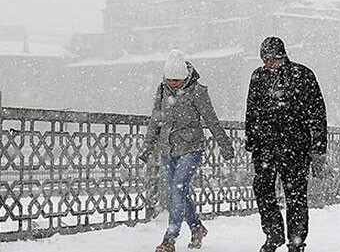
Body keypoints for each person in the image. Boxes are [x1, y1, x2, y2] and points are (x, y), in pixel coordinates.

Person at [140, 49, 235, 252]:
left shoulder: (197, 91)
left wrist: (225, 145)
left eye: (178, 80)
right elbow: (155, 120)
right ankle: (197, 227)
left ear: (186, 77)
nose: (174, 83)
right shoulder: (162, 90)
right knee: (178, 192)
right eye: (170, 79)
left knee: (178, 188)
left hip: (191, 148)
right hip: (167, 149)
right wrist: (148, 147)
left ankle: (170, 238)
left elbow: (211, 119)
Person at [245, 37, 328, 252]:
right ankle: (273, 234)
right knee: (263, 191)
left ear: (283, 56)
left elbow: (317, 113)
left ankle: (296, 241)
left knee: (296, 196)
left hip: (296, 147)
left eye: (274, 59)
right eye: (266, 60)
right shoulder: (258, 77)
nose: (270, 64)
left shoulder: (303, 75)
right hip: (265, 147)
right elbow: (252, 110)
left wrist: (318, 147)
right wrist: (251, 140)